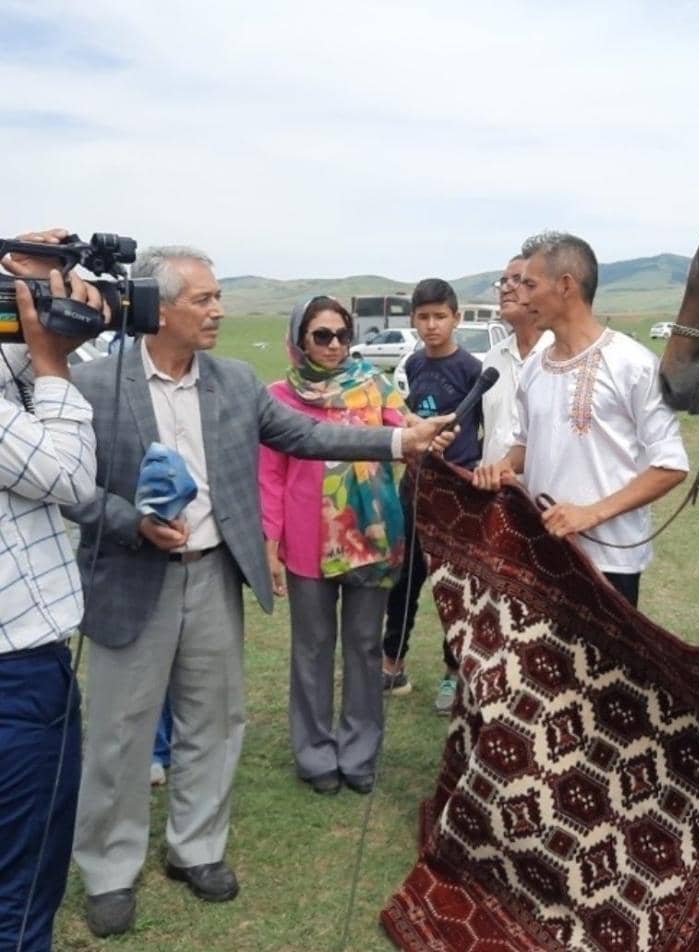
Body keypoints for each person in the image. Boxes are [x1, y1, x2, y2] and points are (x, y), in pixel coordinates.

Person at [62, 247, 455, 939]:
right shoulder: (96, 384)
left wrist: (400, 444)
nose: (219, 310)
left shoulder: (236, 381)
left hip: (215, 574)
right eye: (204, 299)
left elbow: (305, 435)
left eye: (219, 298)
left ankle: (197, 848)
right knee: (119, 734)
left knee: (215, 720)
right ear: (156, 304)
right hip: (132, 579)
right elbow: (72, 488)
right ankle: (110, 871)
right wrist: (132, 523)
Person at [473, 231, 689, 608]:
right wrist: (504, 467)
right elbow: (525, 445)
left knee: (602, 668)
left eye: (529, 284)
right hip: (539, 551)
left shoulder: (634, 364)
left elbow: (670, 466)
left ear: (566, 286)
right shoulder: (535, 369)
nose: (519, 296)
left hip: (609, 561)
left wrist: (591, 513)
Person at [0, 232, 106, 952]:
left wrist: (30, 285)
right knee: (19, 898)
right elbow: (69, 479)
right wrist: (51, 360)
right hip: (16, 674)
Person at [260, 297, 406, 795]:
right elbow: (270, 476)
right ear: (300, 338)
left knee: (366, 648)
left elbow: (413, 436)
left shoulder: (375, 388)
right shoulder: (276, 397)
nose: (335, 345)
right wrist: (270, 543)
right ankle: (315, 752)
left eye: (343, 334)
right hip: (305, 543)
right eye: (322, 335)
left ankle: (360, 753)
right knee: (312, 649)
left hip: (371, 538)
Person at [382, 278, 483, 714]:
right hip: (415, 485)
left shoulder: (473, 370)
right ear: (413, 320)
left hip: (459, 491)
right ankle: (392, 664)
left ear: (456, 318)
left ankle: (451, 673)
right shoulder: (411, 365)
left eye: (440, 316)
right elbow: (402, 416)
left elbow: (488, 430)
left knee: (454, 586)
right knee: (404, 580)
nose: (431, 325)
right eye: (423, 317)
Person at [479, 255, 552, 465]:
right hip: (496, 492)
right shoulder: (493, 357)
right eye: (503, 281)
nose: (506, 289)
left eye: (517, 279)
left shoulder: (561, 355)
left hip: (545, 494)